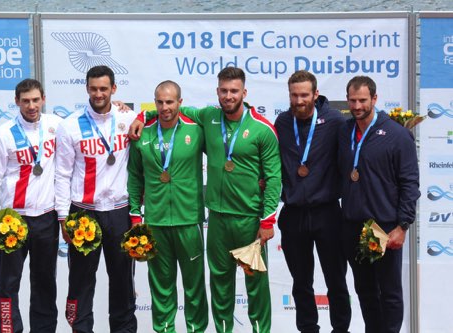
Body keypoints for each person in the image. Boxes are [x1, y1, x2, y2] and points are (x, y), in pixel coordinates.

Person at [130, 67, 281, 333]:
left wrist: (267, 218)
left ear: (244, 93)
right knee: (221, 286)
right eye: (223, 91)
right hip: (218, 221)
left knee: (255, 285)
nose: (228, 96)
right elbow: (169, 111)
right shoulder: (208, 118)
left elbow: (273, 178)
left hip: (249, 222)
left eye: (234, 91)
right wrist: (143, 114)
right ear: (217, 92)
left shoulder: (262, 128)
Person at [55, 65, 137, 333]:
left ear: (114, 89)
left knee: (123, 282)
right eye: (93, 88)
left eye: (104, 88)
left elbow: (157, 117)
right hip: (83, 212)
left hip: (119, 212)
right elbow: (62, 174)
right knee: (80, 282)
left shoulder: (129, 119)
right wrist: (63, 218)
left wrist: (142, 113)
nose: (98, 93)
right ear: (87, 88)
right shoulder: (69, 126)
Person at [338, 76, 420, 333]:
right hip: (352, 224)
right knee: (364, 289)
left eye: (363, 100)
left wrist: (403, 226)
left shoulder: (397, 134)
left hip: (383, 226)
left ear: (374, 98)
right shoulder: (344, 131)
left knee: (390, 291)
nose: (357, 105)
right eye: (352, 100)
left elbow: (410, 183)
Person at [127, 80, 208, 333]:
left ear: (180, 103)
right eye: (159, 102)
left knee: (194, 288)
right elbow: (134, 178)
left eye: (170, 102)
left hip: (189, 221)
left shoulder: (197, 130)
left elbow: (222, 154)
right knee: (161, 288)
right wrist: (134, 216)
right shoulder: (143, 133)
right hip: (156, 223)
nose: (164, 107)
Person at [274, 70, 351, 333]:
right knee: (300, 283)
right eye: (294, 95)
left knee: (336, 281)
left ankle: (341, 329)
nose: (299, 100)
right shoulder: (283, 122)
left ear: (315, 94)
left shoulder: (335, 122)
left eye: (304, 95)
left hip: (327, 213)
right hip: (293, 213)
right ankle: (308, 328)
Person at [0, 78, 60, 333]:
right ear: (16, 102)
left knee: (45, 283)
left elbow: (94, 120)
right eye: (25, 101)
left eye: (36, 100)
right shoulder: (3, 134)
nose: (31, 106)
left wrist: (119, 107)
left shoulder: (57, 126)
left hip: (46, 218)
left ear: (43, 99)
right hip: (12, 220)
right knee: (8, 284)